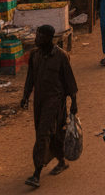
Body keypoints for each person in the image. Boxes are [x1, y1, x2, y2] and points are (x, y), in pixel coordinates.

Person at [21, 24, 78, 188]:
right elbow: (30, 77)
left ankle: (36, 174)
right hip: (39, 101)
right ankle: (61, 161)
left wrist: (74, 102)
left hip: (55, 101)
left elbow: (69, 81)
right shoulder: (34, 55)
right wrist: (25, 96)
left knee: (43, 134)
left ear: (48, 39)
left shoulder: (60, 56)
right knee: (53, 133)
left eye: (39, 37)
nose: (36, 39)